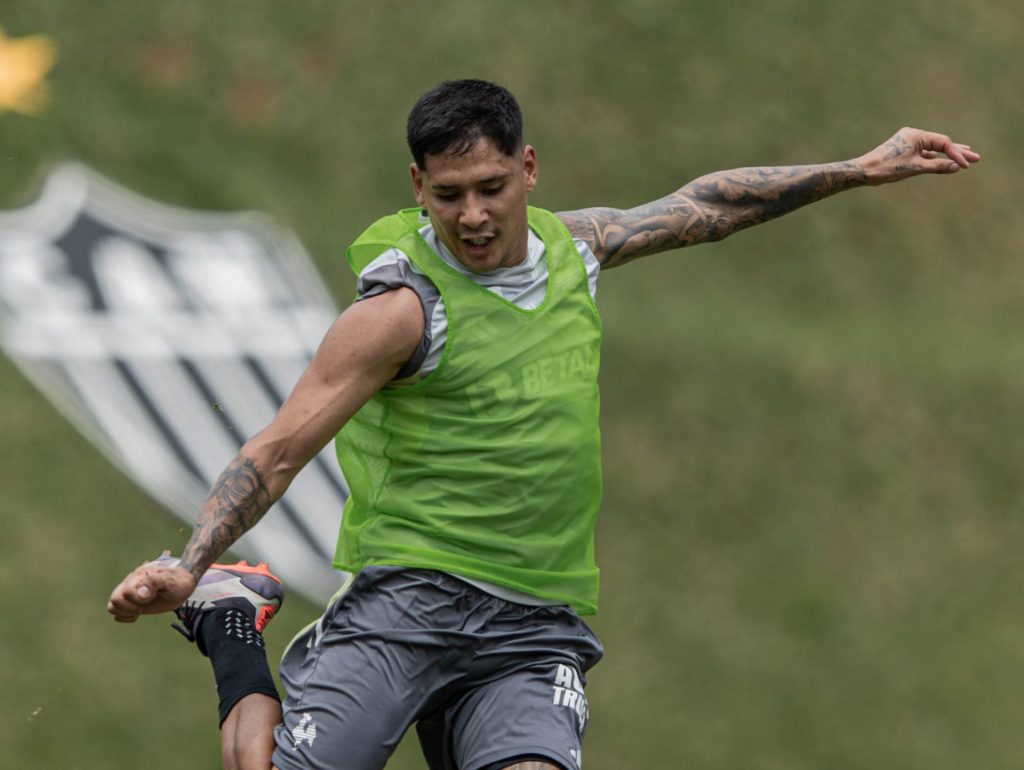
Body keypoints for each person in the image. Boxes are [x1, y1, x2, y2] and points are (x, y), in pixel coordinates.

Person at [107, 79, 979, 770]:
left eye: (492, 188)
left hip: (533, 618)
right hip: (410, 600)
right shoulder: (399, 313)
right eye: (449, 196)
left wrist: (862, 167)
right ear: (419, 187)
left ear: (529, 168)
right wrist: (189, 564)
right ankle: (229, 615)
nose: (475, 216)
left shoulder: (579, 248)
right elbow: (279, 450)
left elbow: (710, 205)